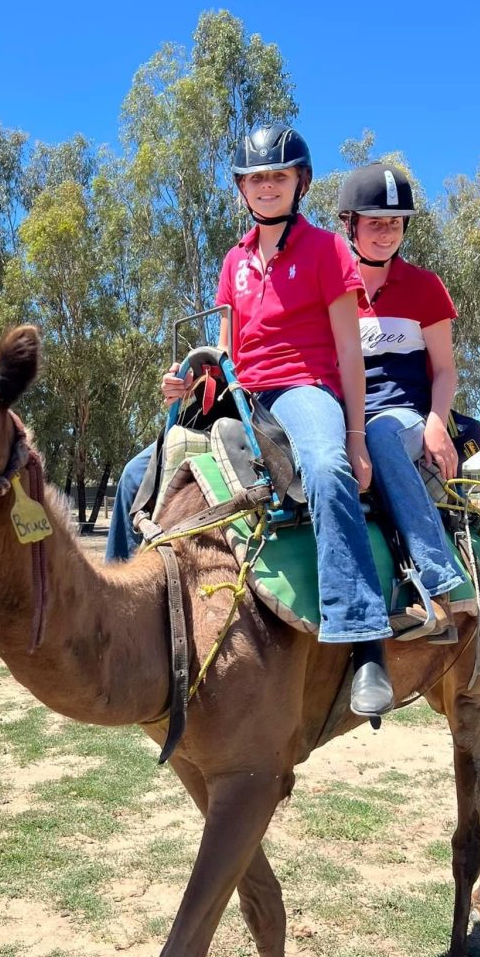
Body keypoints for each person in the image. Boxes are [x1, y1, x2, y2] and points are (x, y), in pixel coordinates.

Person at [108, 125, 397, 716]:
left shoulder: (328, 250)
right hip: (239, 391)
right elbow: (224, 351)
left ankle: (365, 638)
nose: (267, 186)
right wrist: (187, 384)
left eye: (278, 176)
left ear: (300, 183)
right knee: (135, 477)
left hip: (303, 389)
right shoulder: (234, 261)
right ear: (243, 187)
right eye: (256, 178)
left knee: (322, 467)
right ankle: (115, 619)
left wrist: (355, 436)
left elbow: (348, 351)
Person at [337, 162, 466, 650]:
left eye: (394, 222)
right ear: (350, 224)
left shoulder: (425, 287)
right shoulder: (331, 288)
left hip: (405, 417)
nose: (386, 232)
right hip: (344, 414)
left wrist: (435, 424)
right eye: (375, 222)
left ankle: (437, 582)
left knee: (382, 436)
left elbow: (446, 369)